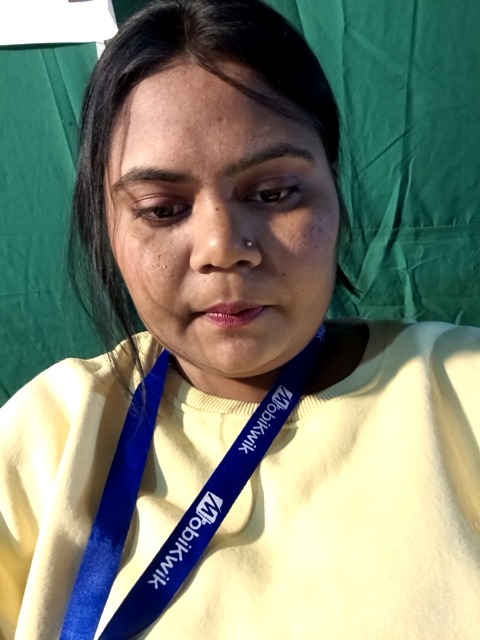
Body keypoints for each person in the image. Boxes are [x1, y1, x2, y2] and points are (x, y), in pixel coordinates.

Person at [1, 0, 479, 638]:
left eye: (274, 193)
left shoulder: (462, 387)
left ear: (334, 191)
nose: (222, 247)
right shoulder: (42, 439)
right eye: (163, 209)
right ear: (107, 227)